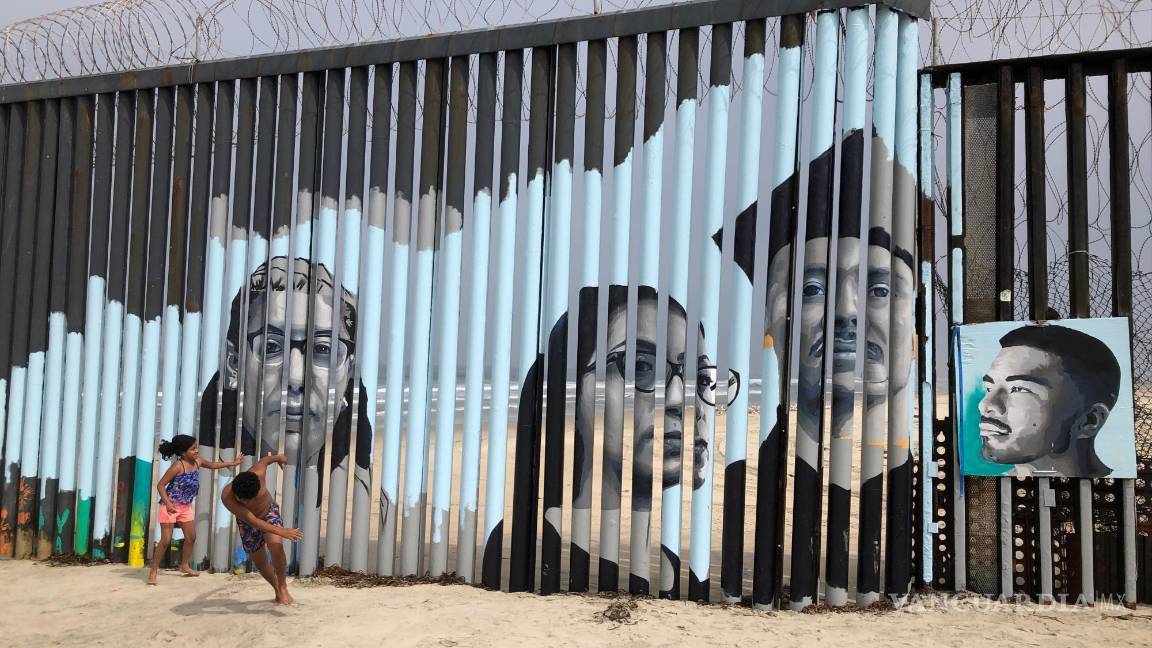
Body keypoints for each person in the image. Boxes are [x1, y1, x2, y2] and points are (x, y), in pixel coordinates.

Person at [977, 324, 1121, 477]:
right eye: (989, 388)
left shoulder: (1114, 493)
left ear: (1089, 421)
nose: (985, 404)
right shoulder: (988, 493)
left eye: (1019, 389)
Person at [146, 435, 244, 585]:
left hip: (185, 507)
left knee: (191, 537)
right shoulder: (178, 466)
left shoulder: (198, 461)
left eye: (196, 447)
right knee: (165, 540)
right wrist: (168, 503)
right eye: (193, 449)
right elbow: (160, 485)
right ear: (183, 452)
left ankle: (184, 565)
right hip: (169, 506)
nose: (196, 450)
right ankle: (153, 571)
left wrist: (234, 462)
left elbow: (213, 465)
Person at [221, 453, 304, 604]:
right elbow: (252, 520)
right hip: (247, 522)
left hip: (269, 513)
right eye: (242, 500)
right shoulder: (227, 496)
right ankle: (277, 589)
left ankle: (283, 586)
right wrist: (282, 531)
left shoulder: (258, 472)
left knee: (276, 548)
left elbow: (265, 460)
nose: (246, 502)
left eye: (250, 500)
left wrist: (279, 458)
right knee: (260, 562)